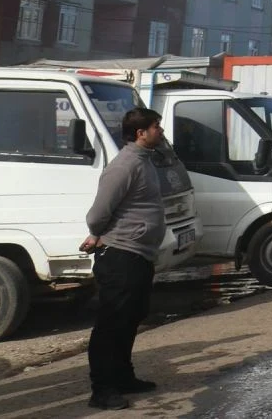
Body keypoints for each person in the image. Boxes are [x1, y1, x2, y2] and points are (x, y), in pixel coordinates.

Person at [82, 107, 167, 410]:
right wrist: (98, 233)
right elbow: (97, 214)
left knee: (131, 317)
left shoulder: (144, 161)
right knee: (112, 322)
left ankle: (122, 377)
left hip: (138, 254)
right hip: (121, 256)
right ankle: (102, 389)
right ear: (140, 133)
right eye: (156, 126)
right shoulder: (124, 165)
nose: (161, 130)